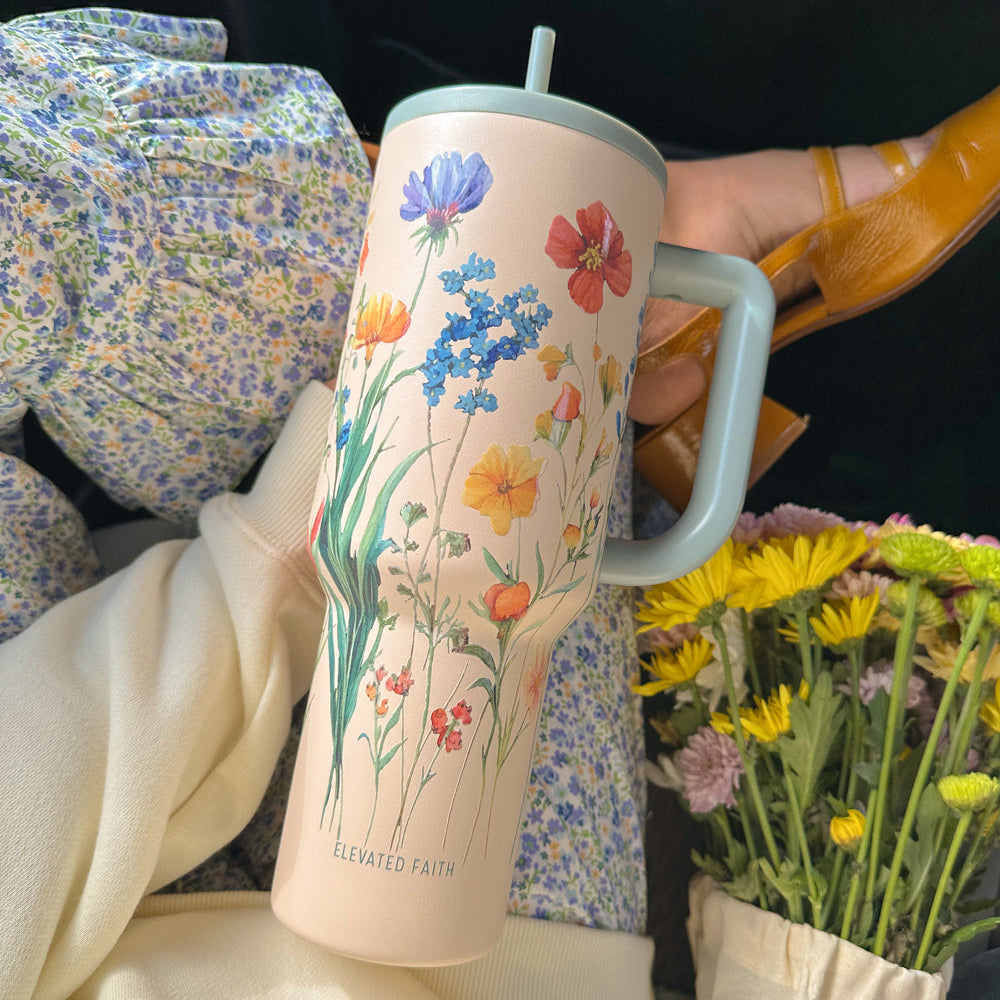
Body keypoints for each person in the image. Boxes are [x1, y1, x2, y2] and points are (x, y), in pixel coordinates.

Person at [2, 7, 999, 999]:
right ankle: (604, 286)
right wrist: (323, 511)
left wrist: (321, 530)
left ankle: (614, 287)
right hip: (473, 951)